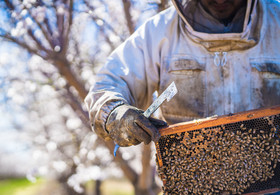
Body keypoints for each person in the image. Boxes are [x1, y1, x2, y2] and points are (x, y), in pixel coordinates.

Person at [85, 0, 280, 146]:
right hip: (186, 189)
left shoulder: (276, 22)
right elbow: (109, 83)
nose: (220, 0)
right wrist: (114, 112)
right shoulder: (159, 31)